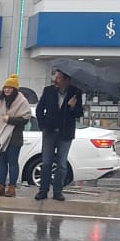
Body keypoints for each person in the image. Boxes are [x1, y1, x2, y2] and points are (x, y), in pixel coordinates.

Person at [34, 69, 84, 201]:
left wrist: (73, 107)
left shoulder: (75, 92)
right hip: (50, 131)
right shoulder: (48, 91)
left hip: (65, 132)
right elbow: (40, 109)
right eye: (55, 77)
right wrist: (43, 125)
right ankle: (43, 190)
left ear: (66, 80)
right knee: (46, 162)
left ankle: (58, 191)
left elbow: (79, 113)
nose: (55, 80)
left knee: (61, 163)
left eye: (58, 78)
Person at [0, 75, 32, 197]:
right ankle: (0, 187)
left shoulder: (21, 101)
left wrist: (10, 119)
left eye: (10, 88)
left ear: (15, 89)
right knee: (1, 162)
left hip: (14, 137)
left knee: (12, 162)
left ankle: (12, 188)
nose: (7, 90)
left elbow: (25, 119)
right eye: (5, 87)